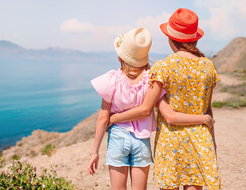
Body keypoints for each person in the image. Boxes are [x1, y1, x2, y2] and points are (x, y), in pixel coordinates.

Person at [88, 27, 215, 190]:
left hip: (118, 137)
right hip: (142, 139)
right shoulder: (152, 78)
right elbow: (153, 108)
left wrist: (95, 152)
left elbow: (102, 118)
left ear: (120, 57)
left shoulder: (111, 80)